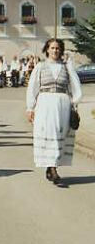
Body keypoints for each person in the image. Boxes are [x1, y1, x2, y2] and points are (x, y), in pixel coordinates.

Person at [26, 39, 82, 184]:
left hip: (62, 104)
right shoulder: (40, 66)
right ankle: (52, 168)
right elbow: (33, 87)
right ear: (47, 50)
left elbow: (74, 86)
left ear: (61, 51)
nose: (55, 51)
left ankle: (52, 166)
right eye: (52, 48)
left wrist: (74, 105)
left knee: (59, 134)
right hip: (45, 104)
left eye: (58, 48)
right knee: (48, 133)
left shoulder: (66, 67)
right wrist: (30, 107)